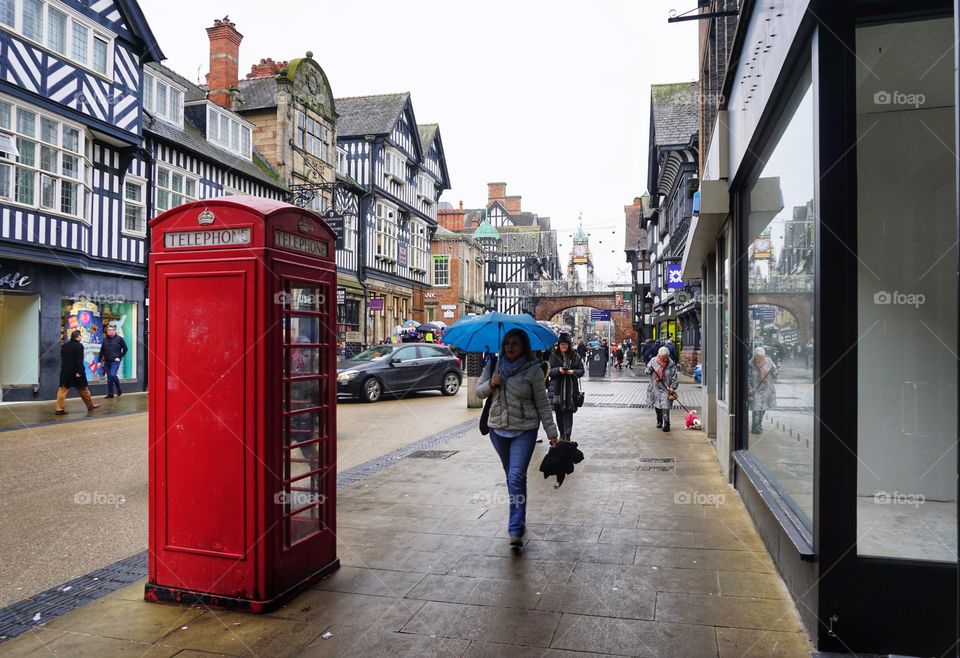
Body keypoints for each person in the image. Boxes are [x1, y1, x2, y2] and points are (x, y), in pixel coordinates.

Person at [477, 329, 559, 547]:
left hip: (524, 430)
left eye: (515, 343)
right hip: (498, 430)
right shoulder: (494, 365)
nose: (510, 347)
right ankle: (518, 517)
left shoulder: (533, 371)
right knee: (512, 476)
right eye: (507, 344)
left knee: (515, 477)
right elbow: (478, 392)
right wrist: (491, 384)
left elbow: (543, 403)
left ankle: (515, 528)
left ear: (523, 346)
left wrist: (552, 433)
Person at [548, 333, 585, 441]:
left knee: (568, 411)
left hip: (570, 390)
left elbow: (581, 371)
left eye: (565, 344)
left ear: (569, 345)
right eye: (561, 344)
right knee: (559, 412)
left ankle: (567, 435)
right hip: (557, 389)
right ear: (558, 345)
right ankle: (562, 433)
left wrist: (572, 371)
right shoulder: (553, 356)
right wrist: (558, 370)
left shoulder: (575, 356)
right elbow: (548, 371)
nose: (563, 346)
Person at [56, 330, 100, 415]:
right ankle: (90, 405)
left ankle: (59, 409)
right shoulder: (79, 346)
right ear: (78, 337)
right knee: (84, 389)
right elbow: (79, 360)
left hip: (65, 372)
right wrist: (79, 371)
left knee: (62, 389)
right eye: (81, 336)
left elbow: (62, 358)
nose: (81, 337)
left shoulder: (64, 346)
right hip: (76, 372)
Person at [646, 346, 678, 432]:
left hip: (666, 388)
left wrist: (672, 387)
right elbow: (647, 372)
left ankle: (667, 423)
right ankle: (659, 420)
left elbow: (674, 377)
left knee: (665, 405)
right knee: (657, 405)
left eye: (666, 357)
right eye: (663, 358)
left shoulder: (671, 365)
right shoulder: (653, 361)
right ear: (659, 356)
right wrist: (650, 368)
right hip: (655, 387)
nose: (665, 359)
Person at [748, 346, 779, 434]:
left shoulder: (769, 362)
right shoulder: (750, 364)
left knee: (763, 408)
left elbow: (776, 375)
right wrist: (749, 388)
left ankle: (759, 424)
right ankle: (755, 426)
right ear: (755, 356)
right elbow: (747, 378)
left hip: (766, 390)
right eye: (757, 357)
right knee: (756, 409)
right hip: (755, 390)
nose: (759, 359)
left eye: (761, 357)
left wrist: (773, 368)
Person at [97, 323, 128, 399]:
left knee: (113, 374)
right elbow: (102, 351)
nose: (108, 331)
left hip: (115, 361)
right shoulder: (105, 340)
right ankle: (110, 394)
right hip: (107, 362)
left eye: (110, 330)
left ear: (114, 331)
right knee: (109, 378)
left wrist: (119, 357)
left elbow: (125, 349)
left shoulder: (119, 339)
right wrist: (99, 361)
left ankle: (118, 389)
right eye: (108, 330)